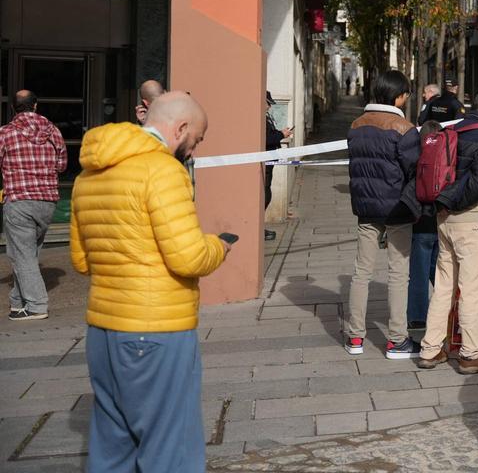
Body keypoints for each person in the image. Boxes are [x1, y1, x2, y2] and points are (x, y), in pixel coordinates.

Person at [71, 92, 229, 473]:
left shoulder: (88, 174)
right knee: (170, 448)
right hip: (157, 330)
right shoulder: (163, 171)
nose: (194, 149)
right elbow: (188, 256)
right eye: (197, 138)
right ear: (181, 128)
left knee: (112, 446)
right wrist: (219, 247)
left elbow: (80, 260)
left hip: (103, 331)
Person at [418, 87, 478, 374]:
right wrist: (452, 200)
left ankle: (431, 349)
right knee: (471, 290)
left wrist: (443, 203)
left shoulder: (455, 129)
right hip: (472, 219)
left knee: (444, 286)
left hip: (444, 220)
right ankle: (471, 354)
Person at [345, 70, 421, 359]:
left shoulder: (357, 125)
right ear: (399, 96)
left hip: (365, 207)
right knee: (398, 274)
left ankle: (355, 338)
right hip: (397, 207)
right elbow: (413, 168)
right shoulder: (403, 128)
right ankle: (397, 340)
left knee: (361, 272)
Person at [0, 90, 67, 320]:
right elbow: (62, 165)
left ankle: (37, 305)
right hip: (47, 202)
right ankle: (18, 302)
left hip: (19, 200)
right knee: (24, 253)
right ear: (35, 106)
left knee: (22, 255)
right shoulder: (53, 132)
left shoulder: (5, 133)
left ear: (13, 108)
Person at [408, 121, 442, 330]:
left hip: (419, 222)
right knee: (440, 272)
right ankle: (447, 310)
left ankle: (418, 317)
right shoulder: (446, 155)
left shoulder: (416, 157)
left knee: (418, 273)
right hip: (440, 220)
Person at [263, 91, 292, 242]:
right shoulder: (259, 118)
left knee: (267, 193)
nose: (269, 106)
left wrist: (280, 134)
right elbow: (266, 138)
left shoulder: (266, 117)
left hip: (270, 160)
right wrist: (281, 134)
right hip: (265, 161)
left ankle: (259, 225)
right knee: (264, 194)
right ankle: (258, 227)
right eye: (267, 103)